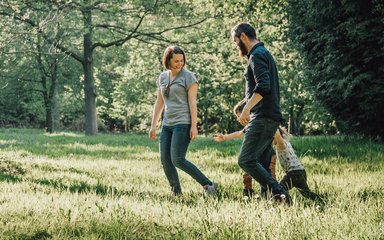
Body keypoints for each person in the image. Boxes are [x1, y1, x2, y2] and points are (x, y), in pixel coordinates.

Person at [231, 22, 291, 204]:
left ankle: (280, 193)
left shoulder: (257, 55)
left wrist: (247, 109)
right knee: (262, 162)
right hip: (268, 117)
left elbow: (263, 87)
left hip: (263, 117)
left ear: (243, 37)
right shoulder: (263, 54)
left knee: (246, 159)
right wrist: (245, 104)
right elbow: (258, 89)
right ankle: (270, 199)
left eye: (235, 41)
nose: (236, 46)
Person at [149, 45, 218, 197]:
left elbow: (193, 102)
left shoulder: (189, 77)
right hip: (167, 124)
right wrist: (153, 125)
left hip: (183, 123)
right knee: (165, 161)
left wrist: (194, 126)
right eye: (176, 61)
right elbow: (159, 103)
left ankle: (209, 185)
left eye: (182, 60)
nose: (179, 64)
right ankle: (176, 192)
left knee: (178, 159)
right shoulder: (162, 77)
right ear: (167, 61)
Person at [214, 99, 277, 199]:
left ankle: (273, 193)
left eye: (239, 116)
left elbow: (274, 134)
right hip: (255, 154)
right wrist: (225, 137)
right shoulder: (251, 125)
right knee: (248, 171)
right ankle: (248, 192)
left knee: (269, 173)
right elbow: (239, 133)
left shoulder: (260, 123)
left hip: (268, 154)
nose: (239, 119)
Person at [273, 127, 325, 203]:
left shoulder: (281, 144)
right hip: (300, 171)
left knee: (279, 189)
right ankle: (322, 200)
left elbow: (277, 134)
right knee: (306, 193)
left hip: (293, 173)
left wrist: (272, 125)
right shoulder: (285, 143)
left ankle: (288, 203)